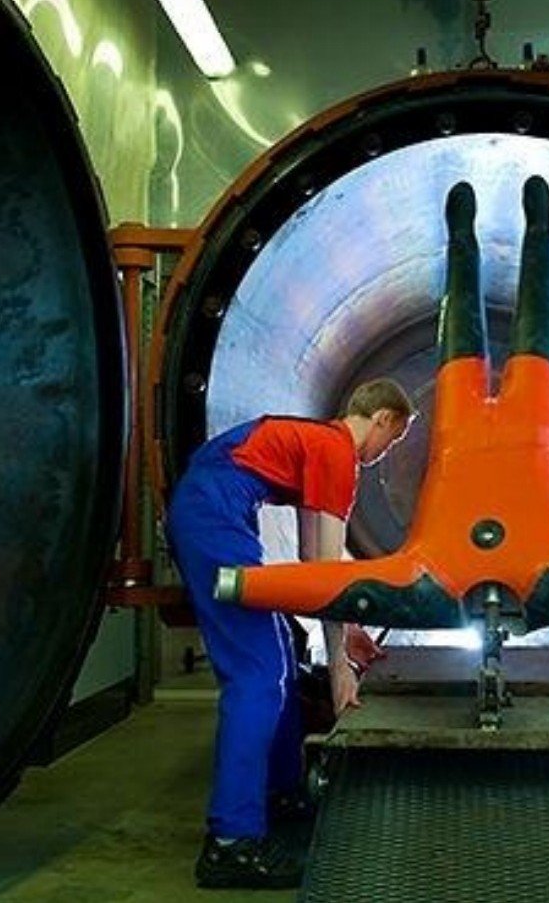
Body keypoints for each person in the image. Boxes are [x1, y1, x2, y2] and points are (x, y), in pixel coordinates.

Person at [166, 378, 415, 889]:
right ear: (384, 419)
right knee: (257, 675)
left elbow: (309, 564)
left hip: (216, 512)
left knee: (280, 648)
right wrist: (341, 674)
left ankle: (281, 793)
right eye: (392, 441)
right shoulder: (337, 450)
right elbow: (326, 576)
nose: (384, 453)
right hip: (214, 518)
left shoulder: (316, 443)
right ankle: (231, 843)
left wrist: (349, 630)